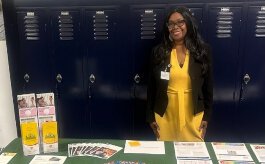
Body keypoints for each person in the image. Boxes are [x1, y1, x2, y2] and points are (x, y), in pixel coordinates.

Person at [146, 7, 213, 142]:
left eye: (180, 22)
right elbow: (152, 87)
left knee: (193, 155)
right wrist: (150, 117)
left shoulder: (202, 51)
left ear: (188, 23)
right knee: (166, 154)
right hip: (165, 114)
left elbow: (208, 87)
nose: (175, 27)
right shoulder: (158, 52)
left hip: (193, 113)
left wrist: (207, 116)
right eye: (171, 23)